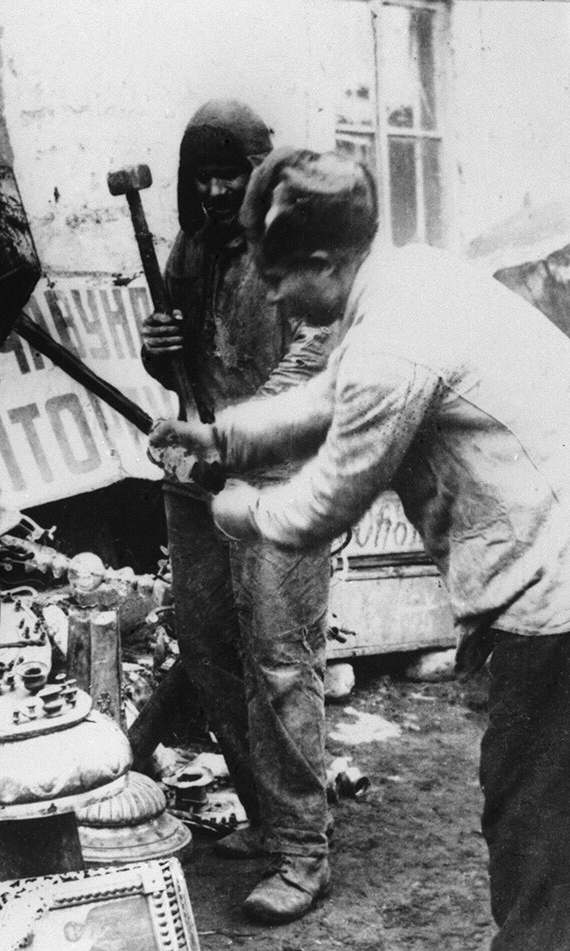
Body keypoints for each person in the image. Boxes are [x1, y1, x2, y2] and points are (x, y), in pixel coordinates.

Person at [152, 145, 570, 951]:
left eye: (277, 280)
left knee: (532, 828)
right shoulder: (405, 278)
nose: (270, 294)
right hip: (548, 577)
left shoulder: (391, 344)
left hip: (551, 597)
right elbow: (325, 395)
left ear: (319, 261)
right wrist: (222, 436)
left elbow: (324, 501)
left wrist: (237, 509)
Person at [134, 100, 335, 923]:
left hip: (280, 479)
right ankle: (266, 814)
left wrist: (231, 434)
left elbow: (313, 360)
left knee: (281, 657)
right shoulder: (190, 248)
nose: (217, 191)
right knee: (210, 643)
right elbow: (188, 368)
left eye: (231, 174)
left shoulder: (295, 249)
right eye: (202, 177)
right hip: (200, 477)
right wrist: (158, 352)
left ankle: (304, 848)